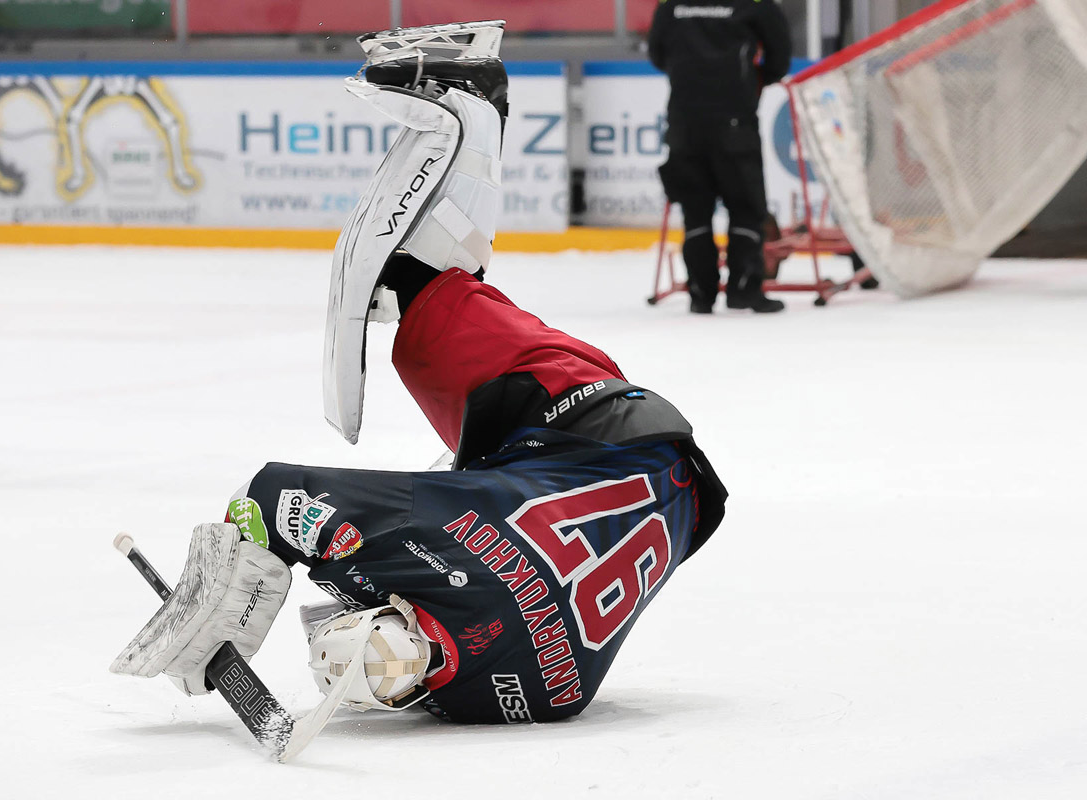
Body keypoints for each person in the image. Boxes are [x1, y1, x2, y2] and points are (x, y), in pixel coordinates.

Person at [111, 22, 728, 730]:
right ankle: (473, 98)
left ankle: (470, 103)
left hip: (665, 491)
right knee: (425, 307)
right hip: (583, 419)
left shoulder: (537, 698)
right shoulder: (461, 623)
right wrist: (219, 604)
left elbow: (434, 611)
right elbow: (272, 496)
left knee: (451, 471)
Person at [649, 0, 793, 314]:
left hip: (685, 120)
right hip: (734, 120)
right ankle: (744, 290)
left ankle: (701, 293)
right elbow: (780, 53)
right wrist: (748, 83)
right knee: (745, 208)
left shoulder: (672, 5)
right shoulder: (754, 4)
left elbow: (657, 53)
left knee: (695, 211)